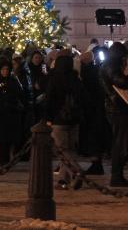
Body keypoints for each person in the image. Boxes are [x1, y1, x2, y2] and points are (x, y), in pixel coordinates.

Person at [100, 43, 128, 187]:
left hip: (116, 107)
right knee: (120, 143)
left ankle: (118, 175)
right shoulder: (112, 66)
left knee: (120, 142)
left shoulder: (108, 65)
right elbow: (123, 82)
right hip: (118, 108)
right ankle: (117, 176)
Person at [44, 53, 84, 189]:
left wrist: (48, 118)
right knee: (70, 149)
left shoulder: (54, 78)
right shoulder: (76, 79)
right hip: (74, 119)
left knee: (61, 149)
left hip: (58, 119)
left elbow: (50, 100)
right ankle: (63, 180)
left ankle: (76, 170)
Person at [0, 58, 26, 166]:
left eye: (7, 69)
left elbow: (20, 96)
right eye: (3, 69)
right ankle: (3, 161)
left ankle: (8, 159)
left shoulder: (13, 82)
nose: (5, 72)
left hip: (12, 114)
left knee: (11, 138)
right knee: (1, 138)